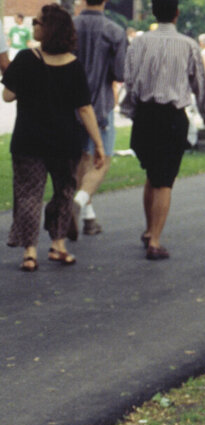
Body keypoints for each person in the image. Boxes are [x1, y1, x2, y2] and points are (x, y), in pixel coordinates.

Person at [4, 4, 106, 272]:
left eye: (37, 22)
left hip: (28, 141)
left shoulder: (26, 59)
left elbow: (7, 95)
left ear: (48, 29)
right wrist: (97, 144)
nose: (33, 26)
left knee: (28, 195)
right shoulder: (74, 66)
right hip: (65, 142)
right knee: (63, 193)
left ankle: (29, 253)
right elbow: (84, 108)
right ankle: (58, 246)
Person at [119, 0, 205, 260]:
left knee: (152, 173)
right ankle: (155, 241)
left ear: (153, 12)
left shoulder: (138, 42)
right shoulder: (189, 45)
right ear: (177, 13)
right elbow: (199, 84)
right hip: (172, 116)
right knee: (165, 180)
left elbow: (129, 79)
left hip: (145, 116)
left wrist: (132, 109)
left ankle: (150, 230)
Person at [71, 0, 126, 237]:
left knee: (82, 159)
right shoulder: (114, 31)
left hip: (70, 103)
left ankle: (88, 218)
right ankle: (78, 203)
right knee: (101, 160)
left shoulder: (70, 26)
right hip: (100, 104)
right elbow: (121, 72)